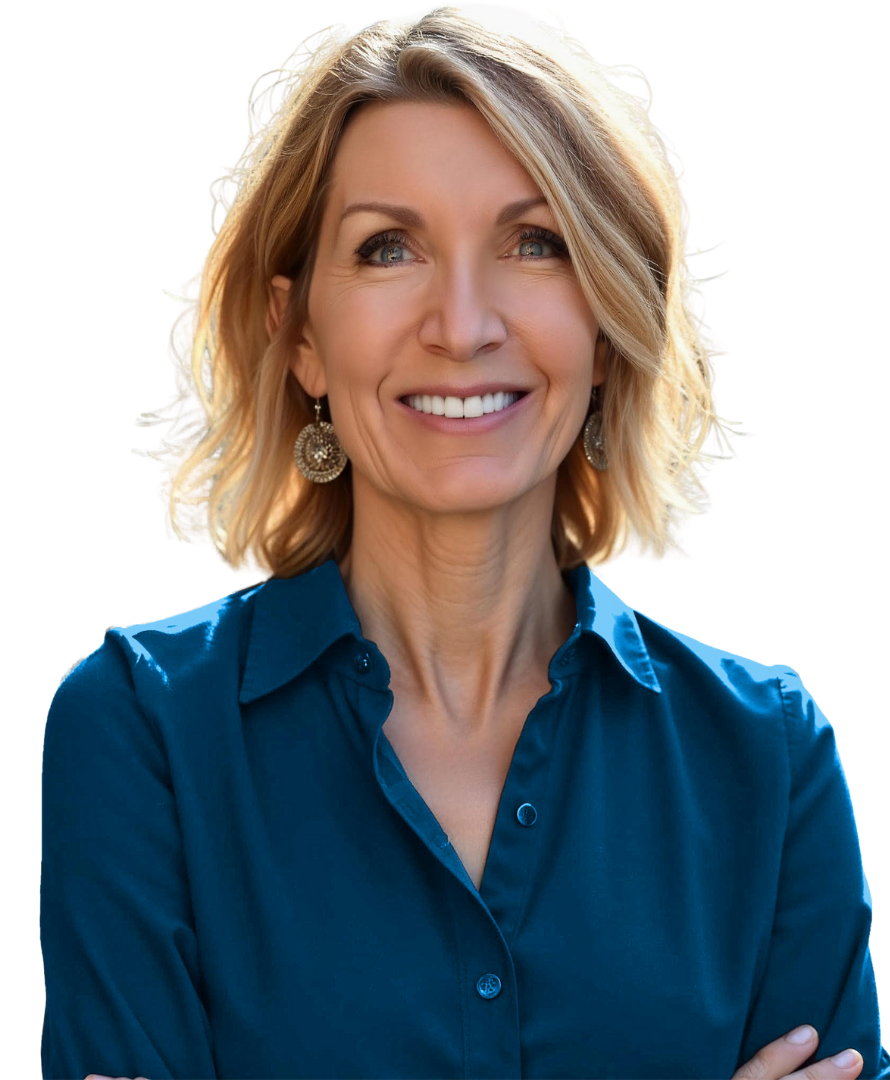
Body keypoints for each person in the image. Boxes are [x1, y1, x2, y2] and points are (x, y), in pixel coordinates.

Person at [42, 5, 886, 1078]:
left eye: (534, 243)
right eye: (387, 248)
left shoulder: (764, 752)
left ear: (606, 320)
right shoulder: (142, 727)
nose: (461, 324)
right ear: (300, 336)